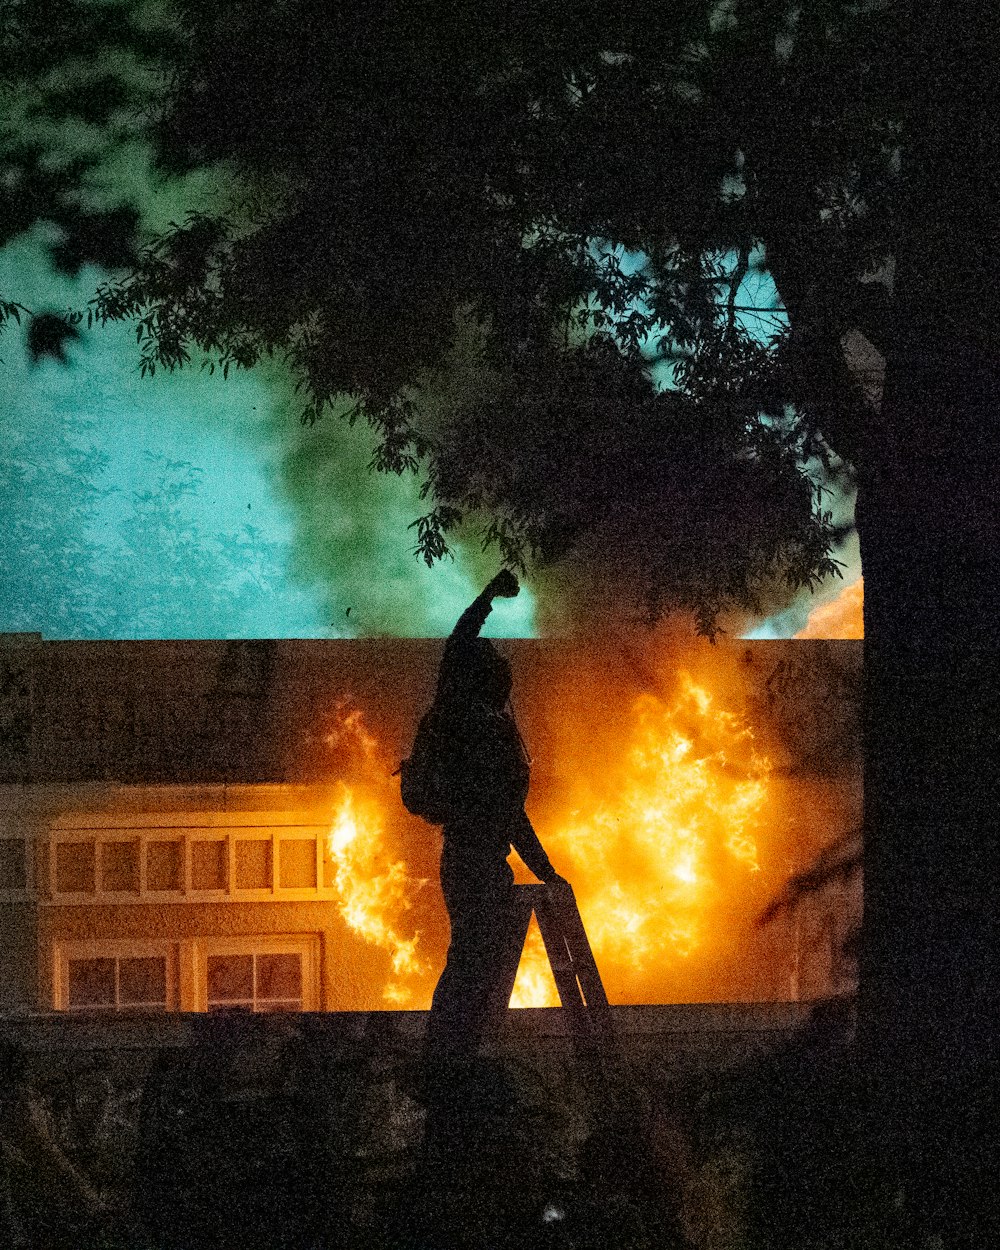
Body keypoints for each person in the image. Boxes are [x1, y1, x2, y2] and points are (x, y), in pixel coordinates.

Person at [423, 570, 567, 1064]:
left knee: (470, 960)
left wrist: (486, 597)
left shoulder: (454, 713)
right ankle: (452, 1057)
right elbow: (512, 817)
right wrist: (546, 872)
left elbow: (456, 645)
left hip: (463, 861)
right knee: (473, 963)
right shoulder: (487, 735)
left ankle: (451, 1052)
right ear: (497, 686)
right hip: (480, 865)